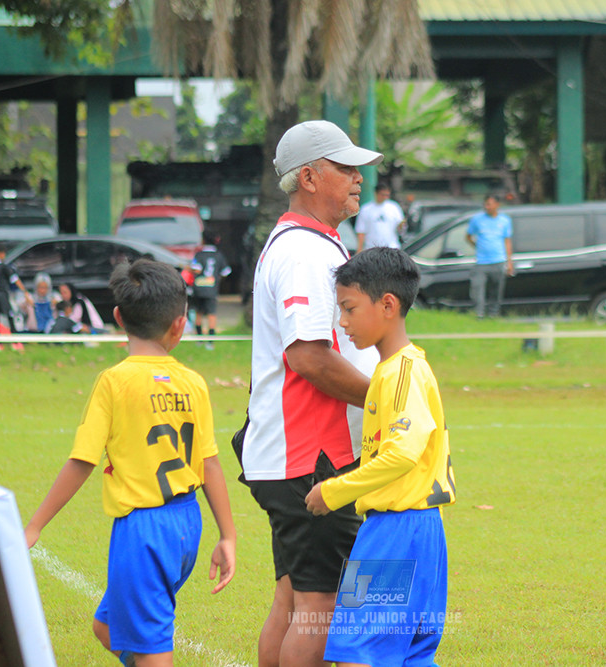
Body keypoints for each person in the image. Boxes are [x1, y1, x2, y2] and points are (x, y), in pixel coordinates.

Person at [24, 258, 236, 667]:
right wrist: (226, 535)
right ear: (180, 324)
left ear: (118, 317)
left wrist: (34, 527)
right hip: (187, 524)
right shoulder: (193, 382)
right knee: (106, 628)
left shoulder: (114, 382)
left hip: (144, 532)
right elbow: (209, 463)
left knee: (153, 652)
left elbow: (82, 461)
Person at [242, 119, 381, 667]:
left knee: (294, 598)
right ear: (308, 177)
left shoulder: (314, 242)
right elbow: (307, 355)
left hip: (293, 454)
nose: (358, 177)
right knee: (321, 605)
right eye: (344, 167)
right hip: (310, 457)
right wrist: (386, 399)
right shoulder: (304, 250)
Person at [305, 247, 457, 667]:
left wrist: (334, 491)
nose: (343, 322)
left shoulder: (400, 373)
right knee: (409, 657)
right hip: (420, 529)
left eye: (350, 308)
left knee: (357, 654)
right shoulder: (396, 370)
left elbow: (401, 453)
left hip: (396, 531)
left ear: (388, 304)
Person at [465, 194, 513, 318]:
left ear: (497, 205)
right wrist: (477, 246)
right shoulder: (477, 219)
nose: (487, 207)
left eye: (490, 204)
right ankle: (479, 313)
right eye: (485, 204)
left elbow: (507, 241)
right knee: (477, 288)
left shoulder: (505, 220)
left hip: (498, 260)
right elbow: (468, 236)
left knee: (496, 289)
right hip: (481, 262)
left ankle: (493, 313)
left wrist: (509, 261)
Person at [190, 230, 232, 349]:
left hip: (198, 288)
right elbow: (226, 272)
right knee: (211, 314)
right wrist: (217, 278)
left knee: (199, 313)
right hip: (211, 289)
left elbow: (196, 269)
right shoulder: (219, 255)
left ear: (203, 240)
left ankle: (199, 340)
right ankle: (210, 342)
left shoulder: (198, 255)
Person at [0, 242, 33, 334]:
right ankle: (14, 336)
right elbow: (15, 279)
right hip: (2, 293)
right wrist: (25, 291)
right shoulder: (3, 267)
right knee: (9, 314)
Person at [354, 182, 405, 250]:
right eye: (382, 195)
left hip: (391, 248)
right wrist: (359, 249)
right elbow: (361, 231)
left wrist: (401, 226)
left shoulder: (394, 207)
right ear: (376, 193)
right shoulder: (366, 209)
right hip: (371, 249)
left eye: (387, 195)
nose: (385, 197)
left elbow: (400, 227)